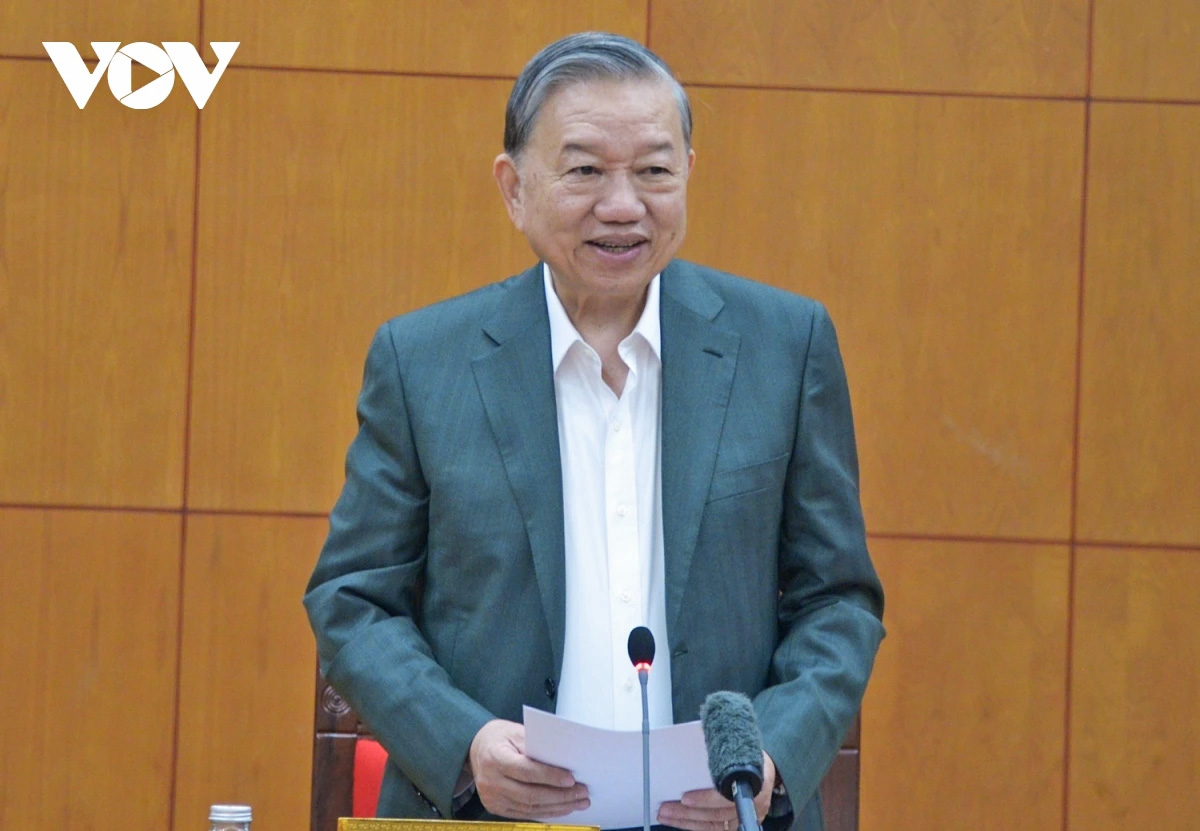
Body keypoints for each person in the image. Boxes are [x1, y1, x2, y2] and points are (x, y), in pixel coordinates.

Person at [304, 31, 884, 831]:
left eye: (654, 171)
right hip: (491, 819)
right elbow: (354, 598)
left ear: (689, 174)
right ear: (514, 188)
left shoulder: (785, 347)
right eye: (584, 171)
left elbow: (839, 600)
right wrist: (465, 744)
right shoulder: (423, 362)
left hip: (718, 817)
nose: (623, 205)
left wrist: (766, 758)